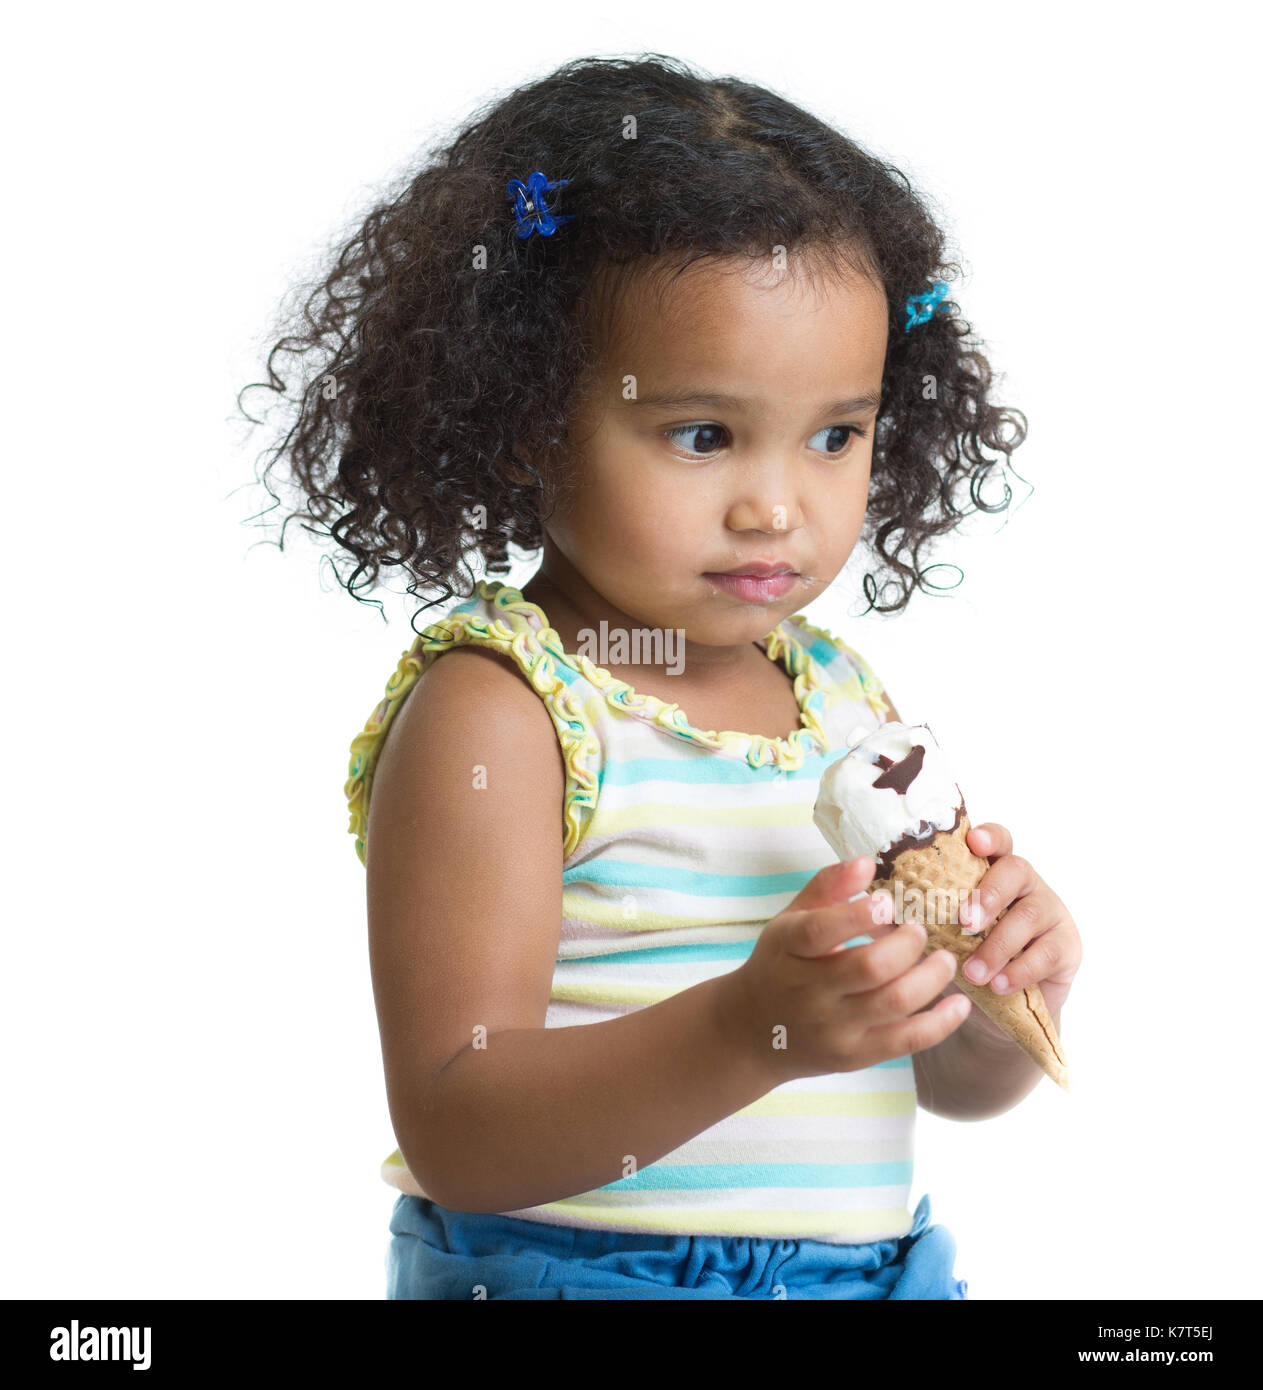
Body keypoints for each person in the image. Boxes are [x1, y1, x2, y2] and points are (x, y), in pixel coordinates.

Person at [242, 52, 1082, 1299]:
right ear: (529, 414)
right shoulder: (508, 709)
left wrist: (992, 986)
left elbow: (946, 1079)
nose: (777, 505)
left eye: (835, 434)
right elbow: (458, 1125)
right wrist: (756, 1028)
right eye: (703, 434)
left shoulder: (849, 701)